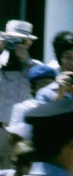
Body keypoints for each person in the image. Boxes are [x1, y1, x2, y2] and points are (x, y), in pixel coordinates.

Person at [0, 20, 41, 168]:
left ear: (29, 43)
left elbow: (42, 91)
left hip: (22, 132)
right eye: (13, 40)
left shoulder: (36, 67)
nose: (17, 45)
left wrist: (27, 62)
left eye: (22, 41)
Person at [5, 64, 58, 143]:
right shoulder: (22, 108)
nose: (48, 88)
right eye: (43, 84)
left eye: (51, 84)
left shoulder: (61, 104)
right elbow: (14, 139)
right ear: (33, 87)